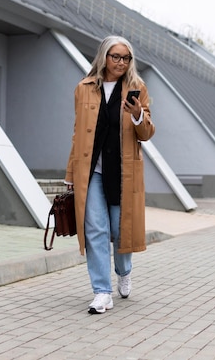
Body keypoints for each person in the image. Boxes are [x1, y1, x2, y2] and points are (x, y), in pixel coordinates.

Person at [65, 35, 155, 314]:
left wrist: (138, 114)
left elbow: (148, 133)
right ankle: (102, 292)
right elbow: (78, 133)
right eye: (115, 56)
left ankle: (124, 270)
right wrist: (70, 173)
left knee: (120, 229)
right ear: (104, 57)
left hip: (124, 171)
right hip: (91, 171)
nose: (121, 62)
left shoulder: (137, 87)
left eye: (126, 58)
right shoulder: (84, 87)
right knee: (96, 230)